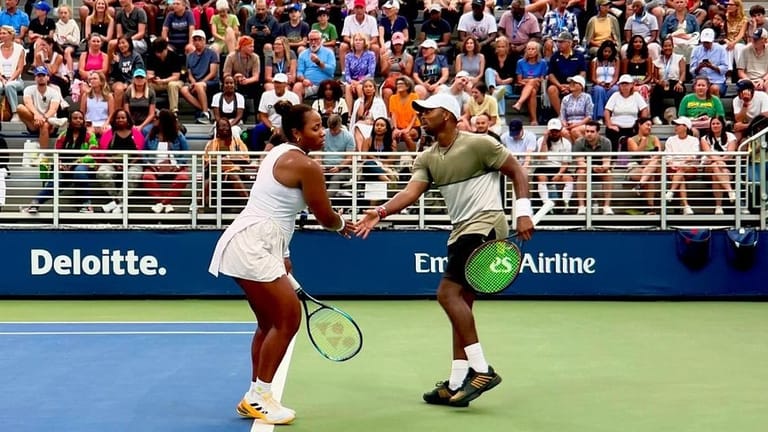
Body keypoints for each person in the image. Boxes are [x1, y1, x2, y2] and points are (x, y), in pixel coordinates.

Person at [355, 93, 534, 408]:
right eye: (420, 112)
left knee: (446, 295)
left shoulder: (480, 144)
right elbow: (411, 192)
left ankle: (482, 370)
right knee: (459, 306)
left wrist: (523, 211)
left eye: (428, 111)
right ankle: (455, 383)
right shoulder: (426, 157)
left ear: (448, 115)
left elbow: (517, 171)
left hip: (486, 225)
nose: (422, 116)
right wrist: (380, 212)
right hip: (460, 230)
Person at [208, 103, 356, 425]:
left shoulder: (276, 153)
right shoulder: (306, 166)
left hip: (252, 242)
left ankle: (254, 396)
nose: (321, 132)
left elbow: (278, 208)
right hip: (253, 246)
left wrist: (284, 254)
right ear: (296, 133)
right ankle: (261, 397)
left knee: (268, 323)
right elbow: (324, 215)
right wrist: (344, 225)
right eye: (315, 128)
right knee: (288, 319)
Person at [21, 110, 98, 214]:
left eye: (80, 118)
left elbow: (93, 155)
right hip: (65, 167)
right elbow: (56, 154)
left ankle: (86, 205)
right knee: (57, 179)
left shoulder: (90, 136)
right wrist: (60, 164)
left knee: (79, 172)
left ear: (84, 121)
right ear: (70, 121)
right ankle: (35, 204)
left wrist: (77, 162)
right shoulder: (63, 135)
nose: (78, 120)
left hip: (83, 166)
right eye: (75, 118)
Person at [97, 108, 145, 214]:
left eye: (123, 117)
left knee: (133, 175)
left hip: (133, 163)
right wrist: (114, 163)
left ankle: (116, 203)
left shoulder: (136, 133)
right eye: (118, 118)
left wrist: (127, 164)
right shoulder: (108, 134)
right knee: (102, 173)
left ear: (128, 119)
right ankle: (118, 201)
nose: (120, 120)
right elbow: (104, 153)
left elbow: (140, 154)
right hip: (112, 163)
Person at [17, 66, 67, 149]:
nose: (41, 78)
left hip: (48, 123)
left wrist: (43, 118)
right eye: (38, 76)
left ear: (47, 77)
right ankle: (52, 121)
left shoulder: (54, 92)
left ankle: (43, 155)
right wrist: (36, 115)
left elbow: (53, 109)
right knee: (20, 107)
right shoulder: (28, 89)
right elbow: (27, 103)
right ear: (35, 78)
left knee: (44, 125)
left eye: (43, 75)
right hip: (33, 121)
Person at [664, 116, 700, 215]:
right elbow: (668, 156)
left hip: (689, 168)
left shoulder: (694, 140)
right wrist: (671, 164)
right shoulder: (670, 140)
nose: (676, 127)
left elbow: (693, 156)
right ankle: (686, 206)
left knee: (681, 170)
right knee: (681, 177)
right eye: (675, 125)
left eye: (678, 125)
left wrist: (682, 163)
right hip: (674, 168)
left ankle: (671, 191)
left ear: (686, 127)